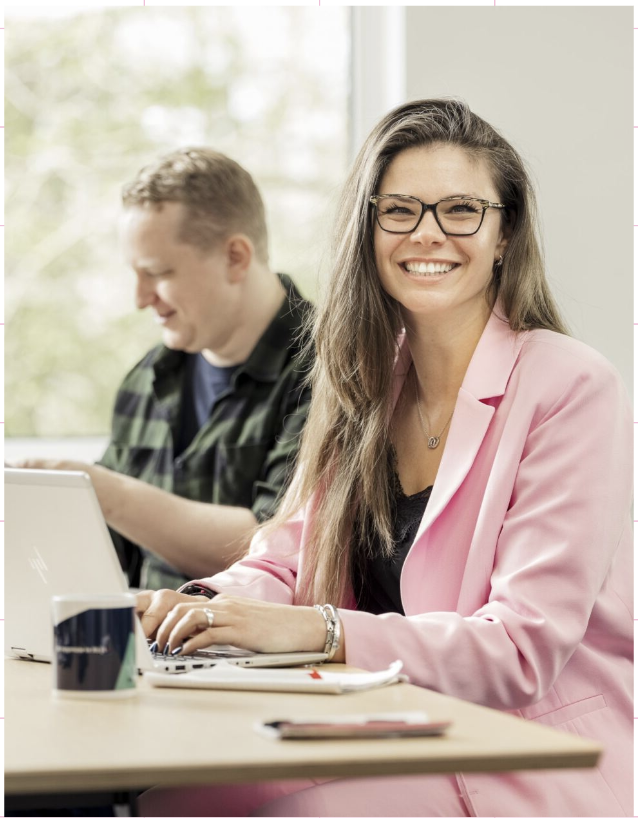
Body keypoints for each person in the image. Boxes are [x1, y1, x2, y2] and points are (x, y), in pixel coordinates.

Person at [135, 100, 632, 817]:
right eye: (399, 210)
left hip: (519, 750)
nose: (427, 233)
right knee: (167, 800)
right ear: (368, 230)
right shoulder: (367, 380)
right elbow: (287, 556)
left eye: (461, 209)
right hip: (389, 727)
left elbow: (521, 651)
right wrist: (200, 608)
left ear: (505, 234)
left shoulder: (572, 386)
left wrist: (321, 629)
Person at [15, 149, 313, 590]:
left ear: (235, 257)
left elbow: (281, 549)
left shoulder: (330, 372)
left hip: (260, 655)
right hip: (146, 651)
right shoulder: (146, 379)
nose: (139, 298)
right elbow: (110, 555)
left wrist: (104, 493)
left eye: (157, 272)